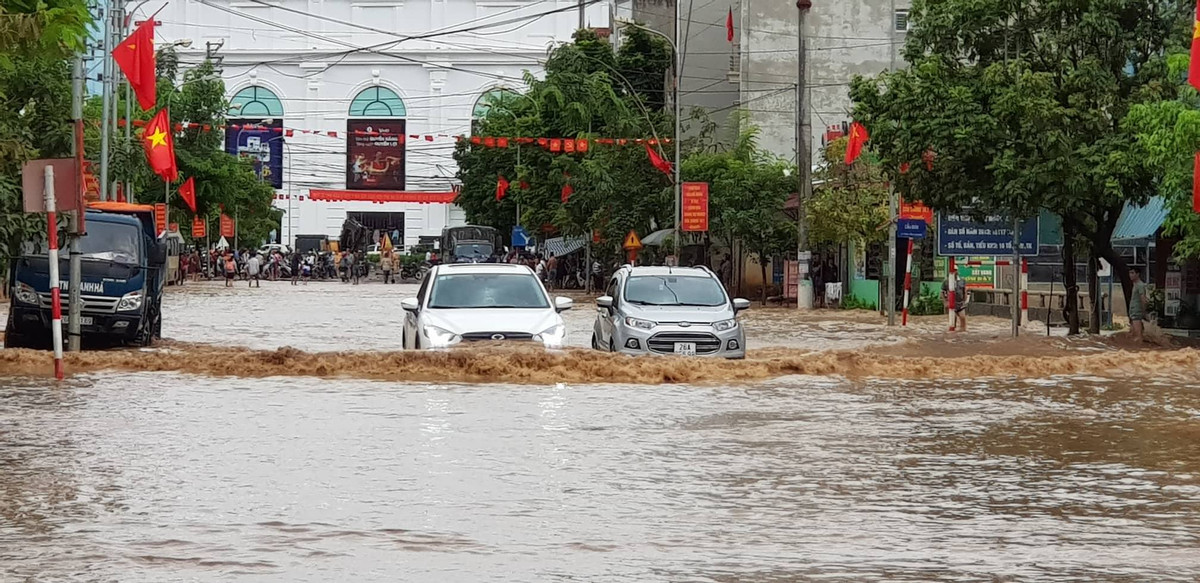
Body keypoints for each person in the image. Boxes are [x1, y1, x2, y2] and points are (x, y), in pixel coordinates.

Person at [1129, 266, 1150, 343]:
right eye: (1130, 273)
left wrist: (1144, 311)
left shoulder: (1140, 285)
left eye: (1132, 273)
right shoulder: (1135, 285)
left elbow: (1143, 298)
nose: (1130, 275)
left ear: (1137, 274)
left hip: (1137, 311)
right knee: (1134, 333)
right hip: (1134, 311)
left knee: (1138, 334)